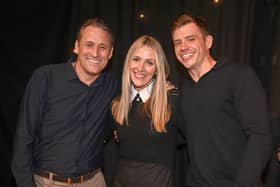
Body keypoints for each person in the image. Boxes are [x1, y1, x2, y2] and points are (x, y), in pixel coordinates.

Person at [11, 18, 118, 187]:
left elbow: (139, 95)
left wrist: (161, 86)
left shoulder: (113, 86)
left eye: (102, 47)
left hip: (94, 182)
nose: (95, 53)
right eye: (89, 44)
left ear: (111, 53)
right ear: (76, 46)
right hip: (47, 182)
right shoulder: (46, 78)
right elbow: (24, 138)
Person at [171, 14, 272, 187]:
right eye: (177, 42)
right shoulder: (184, 90)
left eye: (190, 39)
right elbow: (178, 136)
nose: (183, 47)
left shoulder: (238, 76)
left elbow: (260, 136)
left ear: (208, 42)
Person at [110, 35, 182, 187]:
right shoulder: (118, 102)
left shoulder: (172, 100)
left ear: (157, 69)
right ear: (128, 62)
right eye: (136, 59)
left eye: (149, 63)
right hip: (121, 180)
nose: (140, 68)